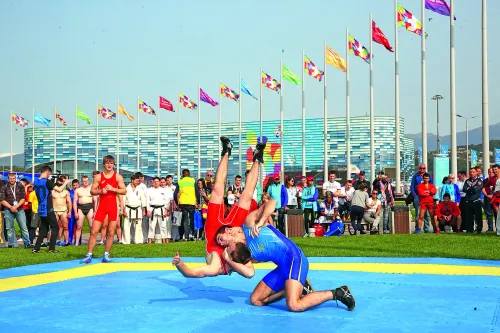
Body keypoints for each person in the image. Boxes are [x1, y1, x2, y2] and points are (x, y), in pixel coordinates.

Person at [215, 202, 355, 312]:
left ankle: (338, 293)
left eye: (221, 239)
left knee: (294, 305)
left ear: (229, 230)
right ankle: (297, 289)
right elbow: (249, 272)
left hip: (295, 259)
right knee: (256, 300)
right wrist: (228, 259)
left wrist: (261, 220)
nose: (222, 244)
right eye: (220, 244)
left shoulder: (249, 224)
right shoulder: (242, 253)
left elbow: (272, 202)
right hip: (282, 268)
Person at [172, 136, 270, 277]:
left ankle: (226, 151)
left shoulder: (216, 266)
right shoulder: (237, 244)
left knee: (218, 189)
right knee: (247, 194)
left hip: (213, 227)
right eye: (229, 244)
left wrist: (179, 264)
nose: (224, 243)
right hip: (233, 225)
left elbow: (193, 273)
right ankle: (258, 158)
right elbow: (249, 273)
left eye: (226, 247)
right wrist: (233, 250)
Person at [80, 155, 126, 263]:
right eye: (107, 163)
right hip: (102, 207)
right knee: (94, 231)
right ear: (104, 164)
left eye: (111, 163)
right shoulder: (99, 177)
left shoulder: (118, 177)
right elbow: (92, 191)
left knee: (111, 232)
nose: (109, 165)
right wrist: (101, 191)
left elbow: (124, 191)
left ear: (113, 165)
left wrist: (113, 189)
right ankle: (89, 254)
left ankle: (106, 255)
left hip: (113, 207)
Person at [32, 166, 70, 253]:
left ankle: (36, 248)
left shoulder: (36, 181)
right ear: (47, 171)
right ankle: (52, 248)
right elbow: (59, 189)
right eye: (49, 173)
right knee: (55, 227)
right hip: (47, 208)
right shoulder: (46, 181)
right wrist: (65, 183)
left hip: (40, 208)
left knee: (44, 229)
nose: (49, 175)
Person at [0, 173, 30, 248]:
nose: (12, 180)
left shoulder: (20, 186)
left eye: (13, 178)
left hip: (19, 209)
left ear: (15, 178)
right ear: (8, 179)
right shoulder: (4, 187)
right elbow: (2, 200)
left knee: (23, 226)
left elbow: (23, 198)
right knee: (9, 228)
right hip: (8, 209)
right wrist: (11, 207)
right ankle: (11, 244)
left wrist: (16, 207)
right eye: (10, 178)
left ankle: (27, 243)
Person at [122, 174, 147, 244]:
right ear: (132, 181)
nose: (138, 182)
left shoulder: (140, 189)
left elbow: (143, 200)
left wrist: (144, 209)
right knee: (126, 226)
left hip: (137, 209)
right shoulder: (126, 189)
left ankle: (138, 240)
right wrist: (123, 210)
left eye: (138, 181)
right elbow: (123, 200)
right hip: (128, 208)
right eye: (136, 181)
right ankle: (126, 241)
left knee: (138, 225)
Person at [73, 175, 95, 246]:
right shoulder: (78, 190)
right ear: (82, 182)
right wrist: (75, 212)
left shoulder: (92, 189)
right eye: (84, 181)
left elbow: (95, 201)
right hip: (80, 209)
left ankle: (92, 242)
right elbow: (75, 201)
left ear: (88, 181)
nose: (85, 182)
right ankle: (76, 243)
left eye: (86, 181)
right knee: (79, 227)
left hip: (90, 208)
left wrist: (95, 211)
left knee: (91, 226)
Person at [52, 176, 72, 246]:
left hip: (63, 210)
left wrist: (69, 212)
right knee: (53, 227)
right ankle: (53, 241)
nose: (59, 183)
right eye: (58, 181)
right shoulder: (52, 192)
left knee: (65, 227)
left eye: (61, 182)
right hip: (55, 211)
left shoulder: (66, 192)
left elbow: (69, 202)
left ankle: (67, 242)